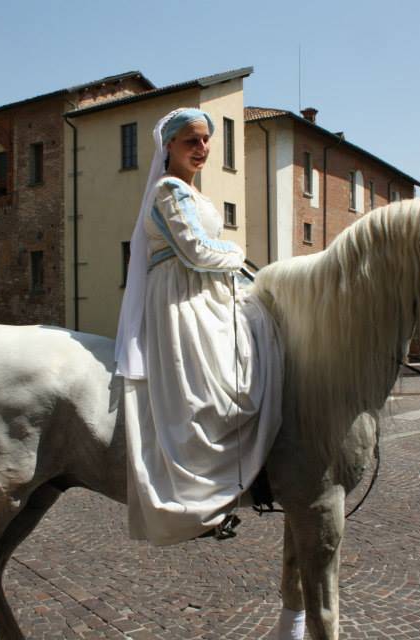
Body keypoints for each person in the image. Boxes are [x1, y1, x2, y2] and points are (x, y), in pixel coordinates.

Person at [114, 108, 283, 548]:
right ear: (168, 146)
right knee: (215, 388)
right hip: (181, 297)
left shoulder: (193, 193)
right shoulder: (168, 191)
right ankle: (202, 495)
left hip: (208, 290)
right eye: (192, 141)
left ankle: (246, 474)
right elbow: (193, 249)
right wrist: (237, 253)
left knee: (264, 333)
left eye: (206, 140)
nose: (202, 148)